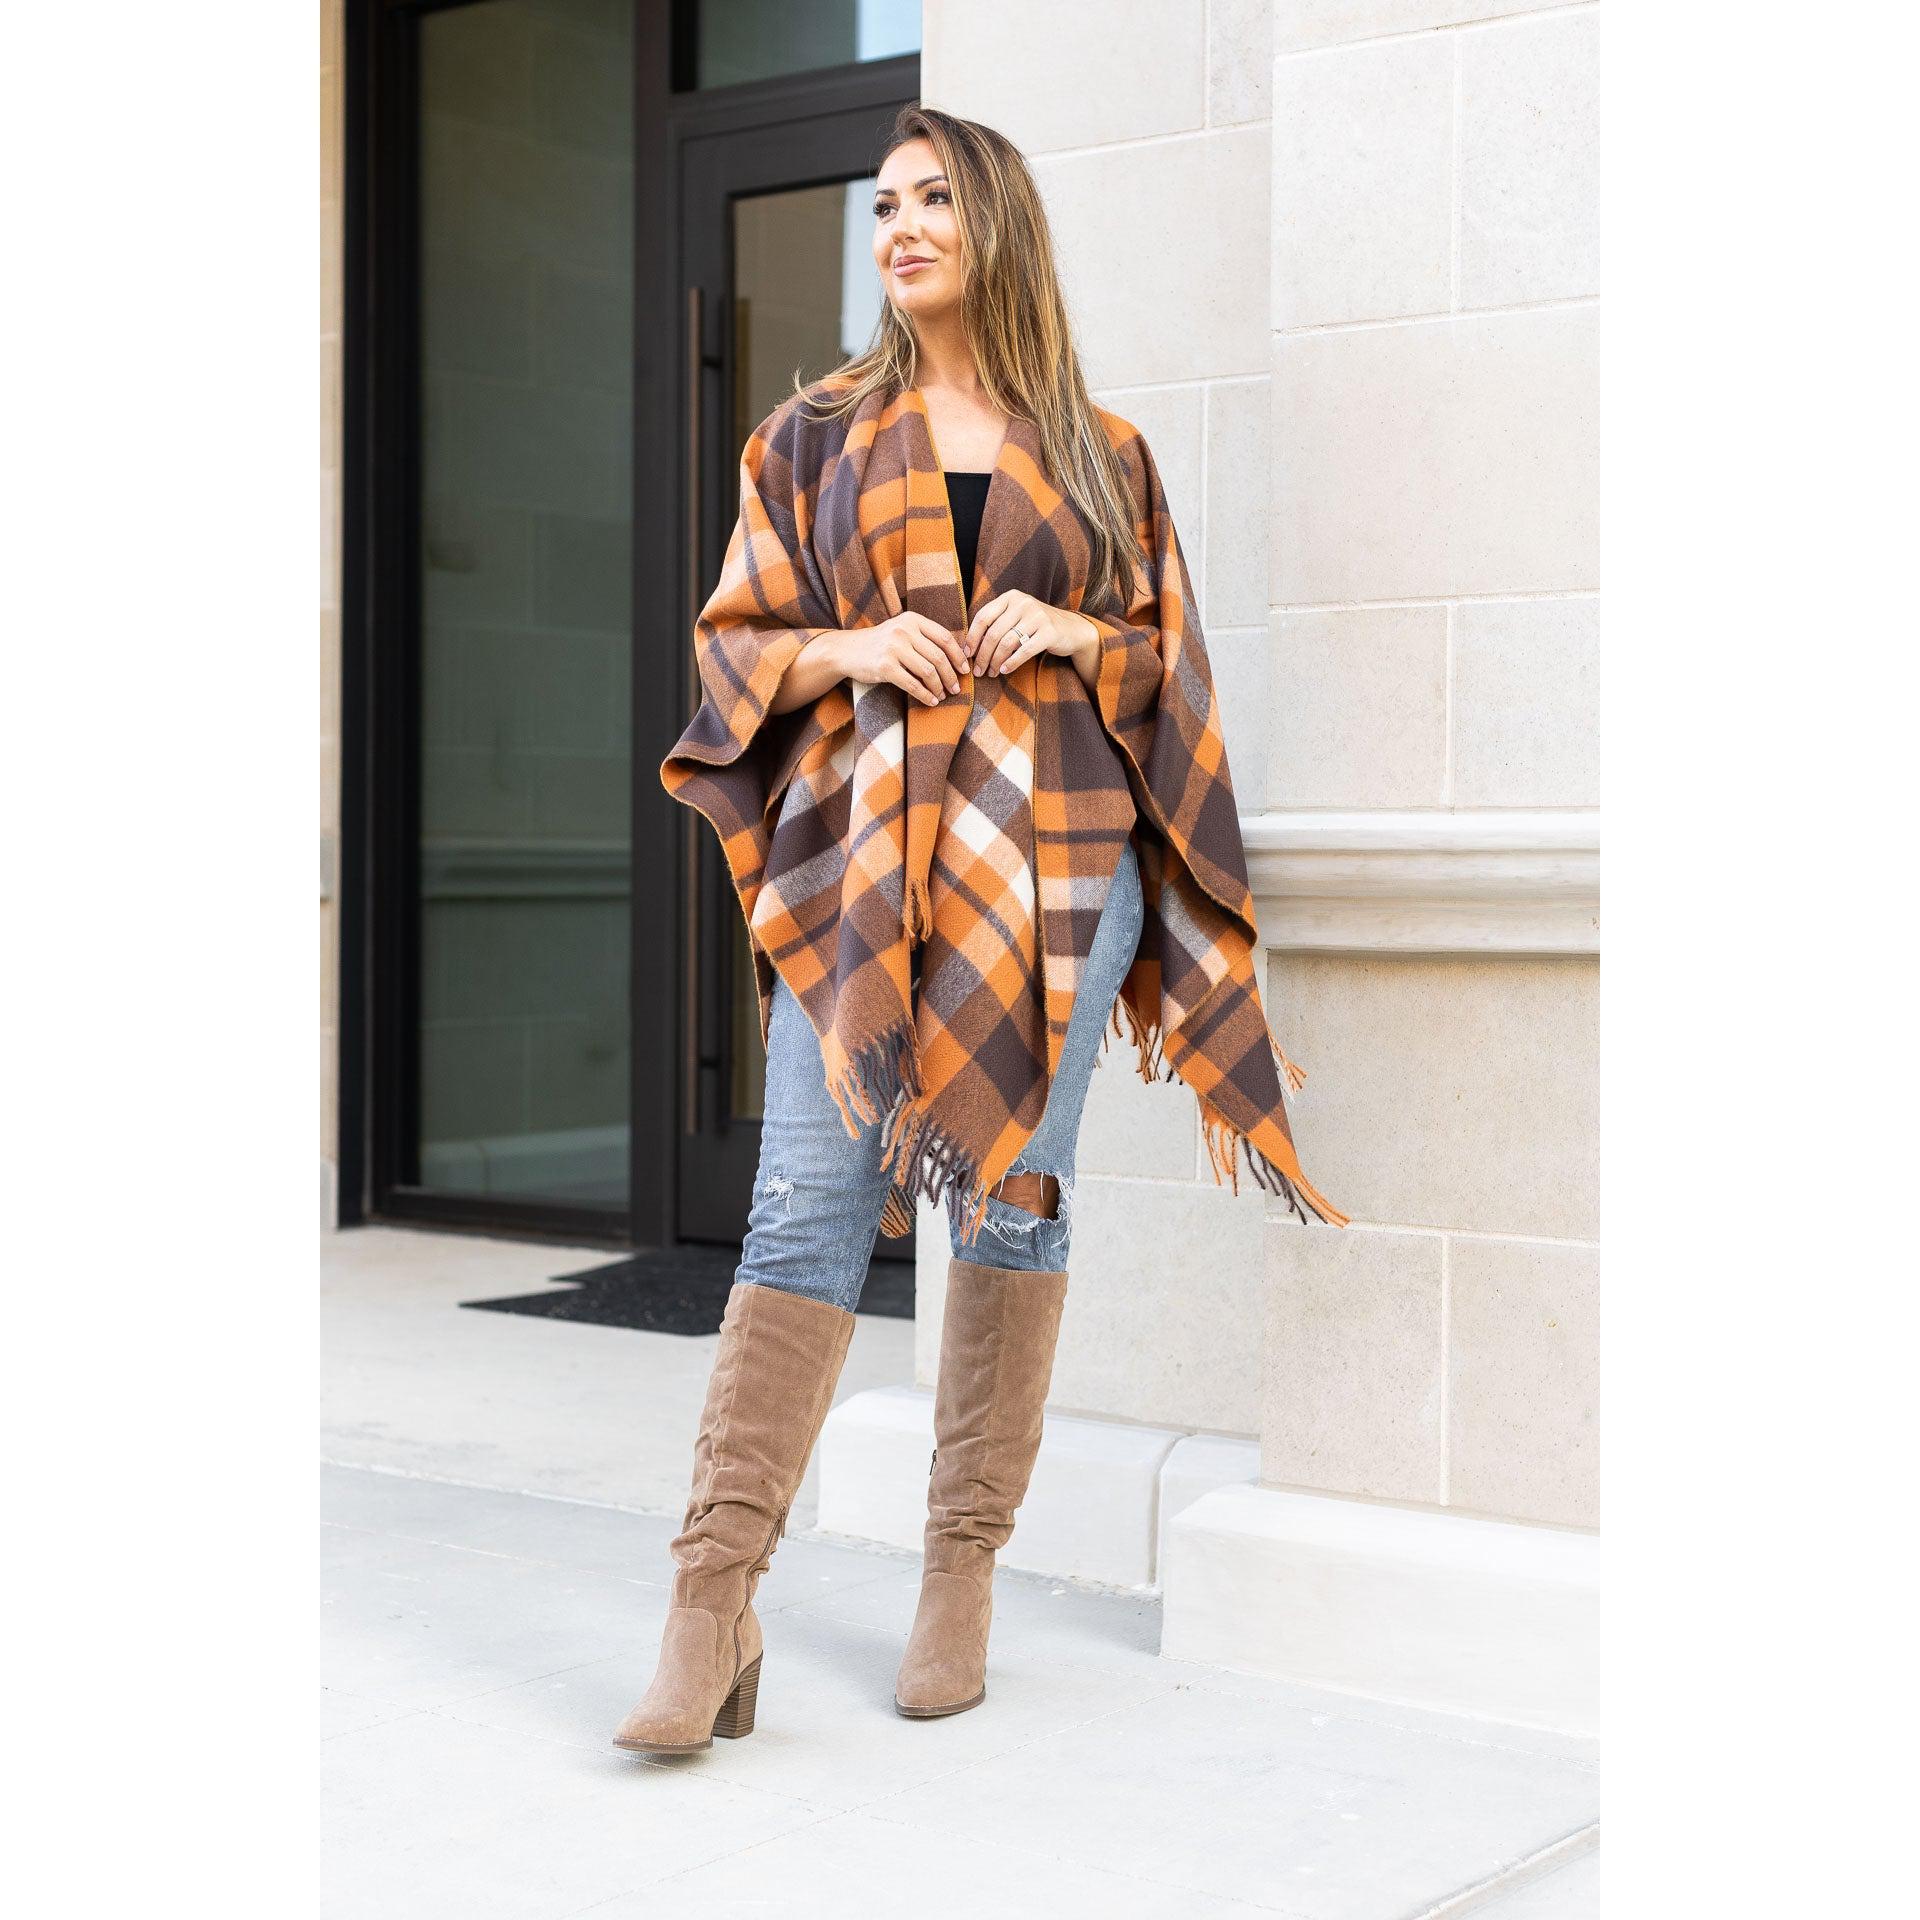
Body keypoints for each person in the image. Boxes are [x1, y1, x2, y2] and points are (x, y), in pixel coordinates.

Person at [613, 105, 1344, 1757]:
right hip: (865, 879)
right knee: (805, 1204)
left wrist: (1073, 629)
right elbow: (735, 651)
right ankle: (710, 1603)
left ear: (996, 222)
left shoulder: (1099, 453)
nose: (902, 226)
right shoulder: (809, 436)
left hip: (1060, 872)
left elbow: (1165, 666)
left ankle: (962, 1575)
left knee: (1014, 1200)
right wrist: (857, 649)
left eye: (935, 198)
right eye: (885, 204)